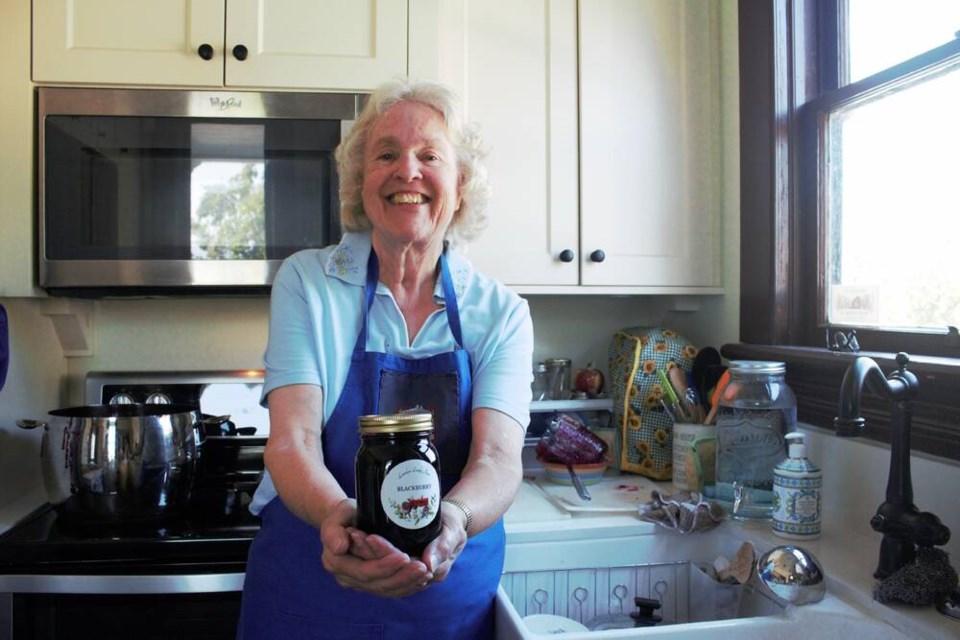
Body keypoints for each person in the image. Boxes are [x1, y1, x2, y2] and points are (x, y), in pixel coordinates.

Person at [237, 79, 534, 639]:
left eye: (430, 156)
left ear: (461, 182)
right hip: (311, 588)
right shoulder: (308, 282)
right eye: (386, 155)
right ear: (360, 180)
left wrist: (455, 520)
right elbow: (292, 440)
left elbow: (497, 458)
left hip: (445, 600)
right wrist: (334, 518)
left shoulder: (502, 312)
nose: (408, 172)